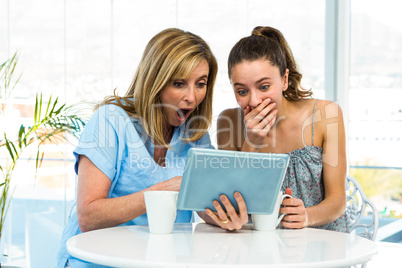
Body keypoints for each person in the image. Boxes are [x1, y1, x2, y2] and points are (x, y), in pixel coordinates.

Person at [57, 28, 218, 267]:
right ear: (156, 81)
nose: (192, 97)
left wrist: (223, 215)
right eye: (179, 83)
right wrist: (163, 191)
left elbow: (209, 204)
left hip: (160, 261)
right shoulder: (110, 120)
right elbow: (88, 217)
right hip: (96, 261)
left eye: (201, 84)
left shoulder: (195, 135)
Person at [201, 26, 349, 232]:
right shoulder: (229, 121)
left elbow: (338, 200)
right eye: (242, 91)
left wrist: (306, 216)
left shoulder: (327, 114)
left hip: (322, 239)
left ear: (284, 80)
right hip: (260, 244)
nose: (254, 101)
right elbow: (231, 202)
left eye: (263, 87)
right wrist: (251, 142)